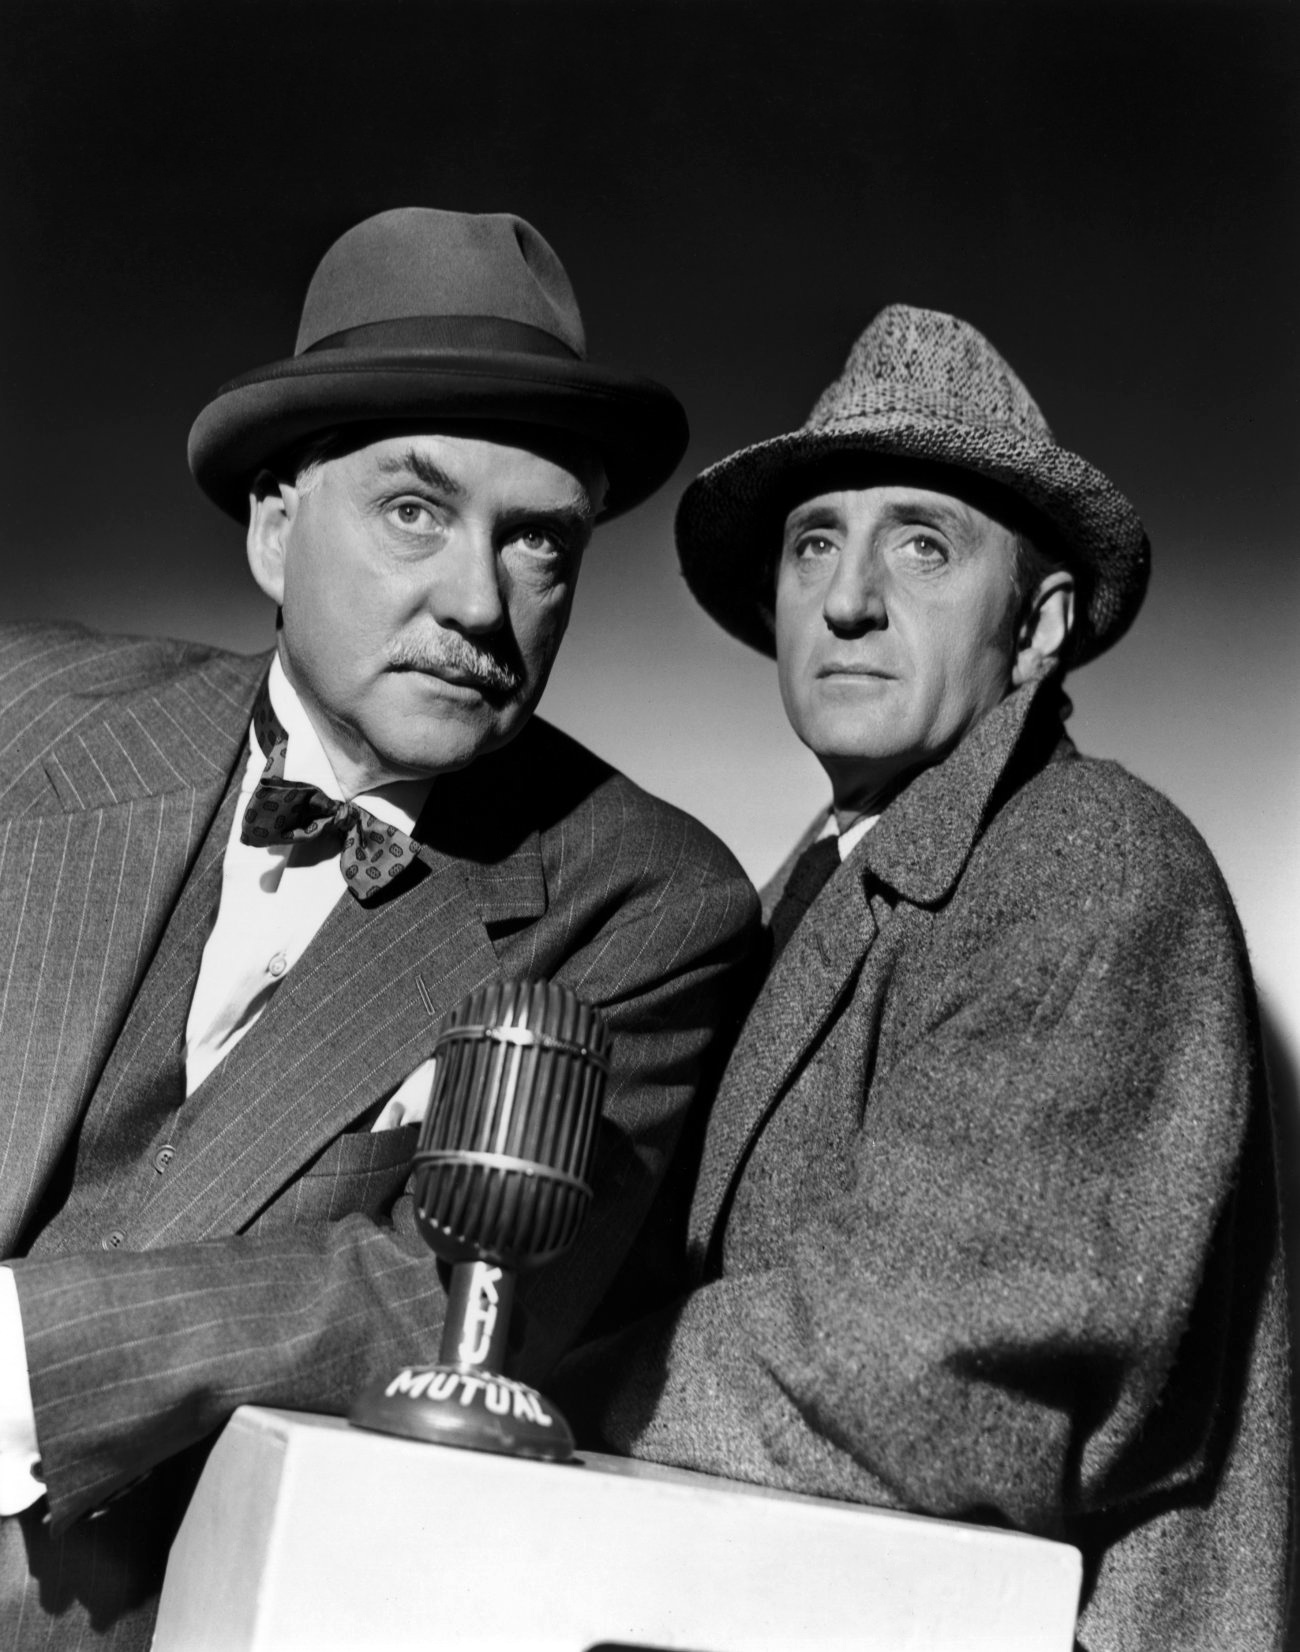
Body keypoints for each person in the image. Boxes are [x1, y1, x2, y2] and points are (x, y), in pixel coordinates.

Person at [0, 207, 758, 1648]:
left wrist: (25, 1361)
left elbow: (462, 1311)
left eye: (538, 543)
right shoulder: (22, 714)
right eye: (416, 511)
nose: (477, 601)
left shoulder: (648, 904)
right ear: (276, 526)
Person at [556, 303, 1292, 1650]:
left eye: (924, 544)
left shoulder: (1093, 859)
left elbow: (931, 1371)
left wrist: (529, 1384)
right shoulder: (813, 891)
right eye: (815, 543)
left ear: (1040, 624)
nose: (849, 597)